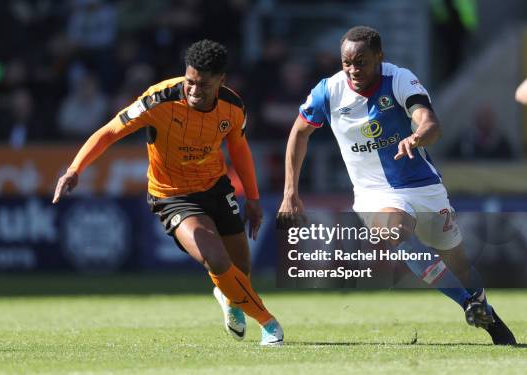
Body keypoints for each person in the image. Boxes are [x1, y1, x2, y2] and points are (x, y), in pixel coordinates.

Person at [278, 26, 515, 345]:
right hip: (372, 193)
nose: (353, 69)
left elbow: (430, 123)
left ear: (380, 57)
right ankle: (468, 304)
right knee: (394, 230)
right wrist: (290, 191)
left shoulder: (399, 79)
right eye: (346, 62)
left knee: (456, 260)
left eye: (361, 61)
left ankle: (486, 313)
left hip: (422, 185)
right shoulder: (328, 91)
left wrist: (417, 137)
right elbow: (299, 133)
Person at [53, 39, 283, 346]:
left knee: (240, 270)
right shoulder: (157, 100)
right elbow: (110, 131)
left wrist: (253, 199)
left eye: (203, 85)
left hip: (215, 187)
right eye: (190, 82)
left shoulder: (233, 107)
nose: (194, 91)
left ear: (221, 81)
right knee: (215, 258)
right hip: (172, 195)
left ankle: (229, 297)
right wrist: (75, 169)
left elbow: (239, 149)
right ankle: (269, 324)